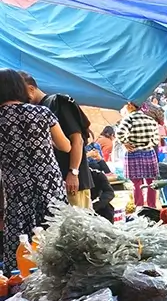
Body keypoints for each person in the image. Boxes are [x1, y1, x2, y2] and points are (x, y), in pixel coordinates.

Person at [0, 69, 70, 269]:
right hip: (49, 183)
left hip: (16, 187)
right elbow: (66, 146)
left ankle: (18, 277)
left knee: (21, 237)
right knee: (55, 232)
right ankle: (62, 273)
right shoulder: (42, 112)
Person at [19, 72, 93, 208]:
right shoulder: (35, 111)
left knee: (77, 219)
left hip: (72, 180)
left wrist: (73, 172)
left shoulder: (57, 102)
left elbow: (77, 140)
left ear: (31, 89)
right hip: (54, 182)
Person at [117, 101, 161, 208]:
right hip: (149, 152)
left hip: (133, 152)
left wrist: (125, 143)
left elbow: (119, 133)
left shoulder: (128, 119)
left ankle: (139, 207)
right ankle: (151, 207)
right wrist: (148, 144)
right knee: (151, 182)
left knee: (136, 183)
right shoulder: (150, 119)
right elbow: (156, 139)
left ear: (131, 106)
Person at [87, 153, 116, 223]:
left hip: (97, 206)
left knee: (107, 210)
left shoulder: (97, 175)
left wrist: (95, 205)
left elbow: (110, 192)